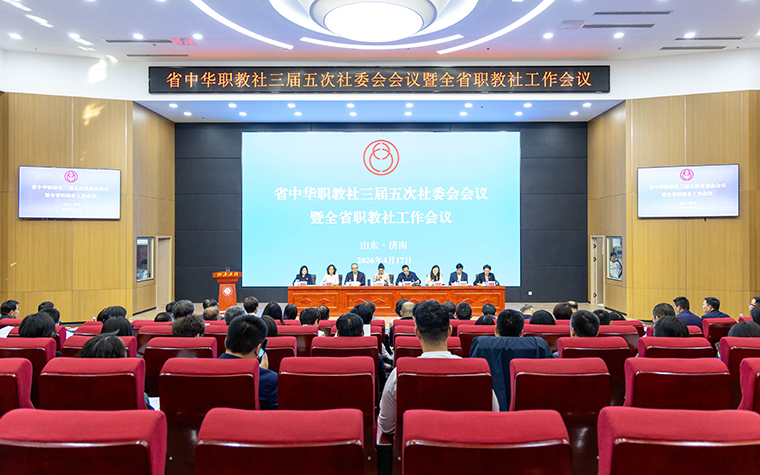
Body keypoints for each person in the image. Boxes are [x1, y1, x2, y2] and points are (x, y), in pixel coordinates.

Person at [378, 300, 500, 434]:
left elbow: (387, 427)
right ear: (449, 331)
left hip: (417, 445)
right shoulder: (477, 371)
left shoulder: (399, 374)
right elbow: (494, 414)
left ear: (417, 332)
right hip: (469, 443)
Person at [470, 309, 553, 411]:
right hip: (531, 411)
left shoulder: (480, 345)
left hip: (488, 410)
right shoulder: (539, 345)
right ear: (522, 332)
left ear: (496, 330)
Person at [219, 315, 278, 410]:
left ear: (225, 341)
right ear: (258, 349)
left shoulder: (199, 369)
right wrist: (260, 372)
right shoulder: (269, 380)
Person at [335, 313, 388, 389]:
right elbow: (382, 382)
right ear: (363, 332)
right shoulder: (373, 354)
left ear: (337, 334)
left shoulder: (325, 352)